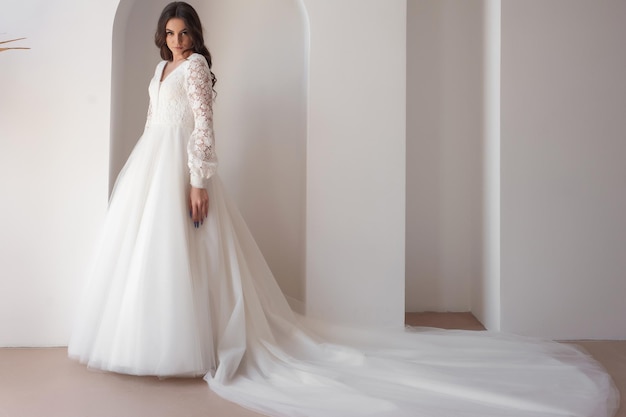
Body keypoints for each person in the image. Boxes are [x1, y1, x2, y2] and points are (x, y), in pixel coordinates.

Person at [69, 2, 619, 416]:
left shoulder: (195, 71)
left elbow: (206, 129)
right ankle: (149, 341)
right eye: (170, 33)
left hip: (183, 169)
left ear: (196, 35)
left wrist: (198, 181)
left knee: (194, 252)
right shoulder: (159, 71)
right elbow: (151, 124)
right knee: (148, 257)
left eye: (185, 32)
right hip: (150, 166)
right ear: (160, 37)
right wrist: (141, 166)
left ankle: (197, 345)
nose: (178, 41)